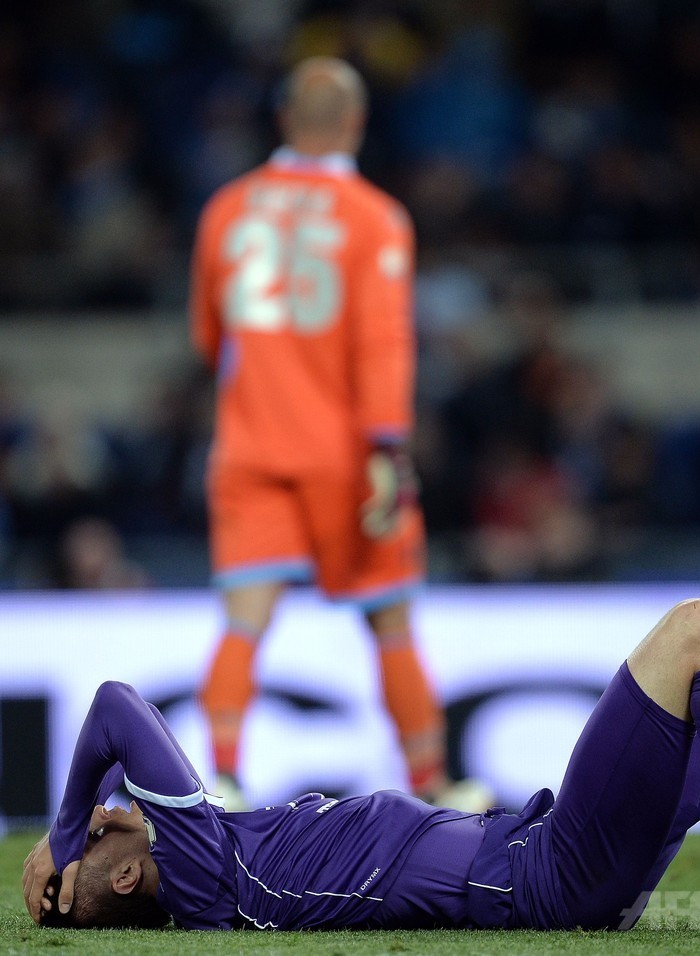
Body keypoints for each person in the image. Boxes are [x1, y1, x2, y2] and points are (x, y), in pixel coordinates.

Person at [23, 598, 700, 936]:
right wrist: (63, 831)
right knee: (699, 630)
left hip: (537, 850)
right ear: (122, 871)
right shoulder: (202, 876)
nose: (119, 807)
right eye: (112, 825)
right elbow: (116, 705)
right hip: (542, 877)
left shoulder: (218, 856)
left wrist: (78, 845)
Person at [189, 57, 483, 810]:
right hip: (348, 458)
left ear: (283, 119)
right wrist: (389, 446)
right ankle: (433, 787)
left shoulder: (227, 208)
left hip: (250, 446)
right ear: (355, 123)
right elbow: (381, 342)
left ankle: (220, 779)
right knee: (390, 626)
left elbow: (206, 335)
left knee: (242, 626)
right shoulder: (375, 217)